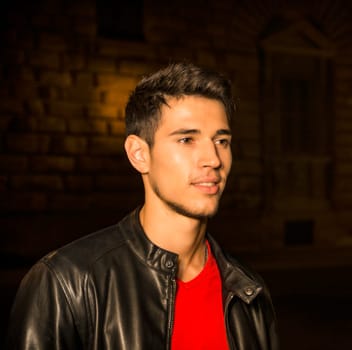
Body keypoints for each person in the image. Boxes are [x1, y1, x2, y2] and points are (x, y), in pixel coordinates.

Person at [6, 62, 279, 349]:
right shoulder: (65, 283)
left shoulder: (248, 290)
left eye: (221, 140)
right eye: (187, 139)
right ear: (139, 154)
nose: (213, 158)